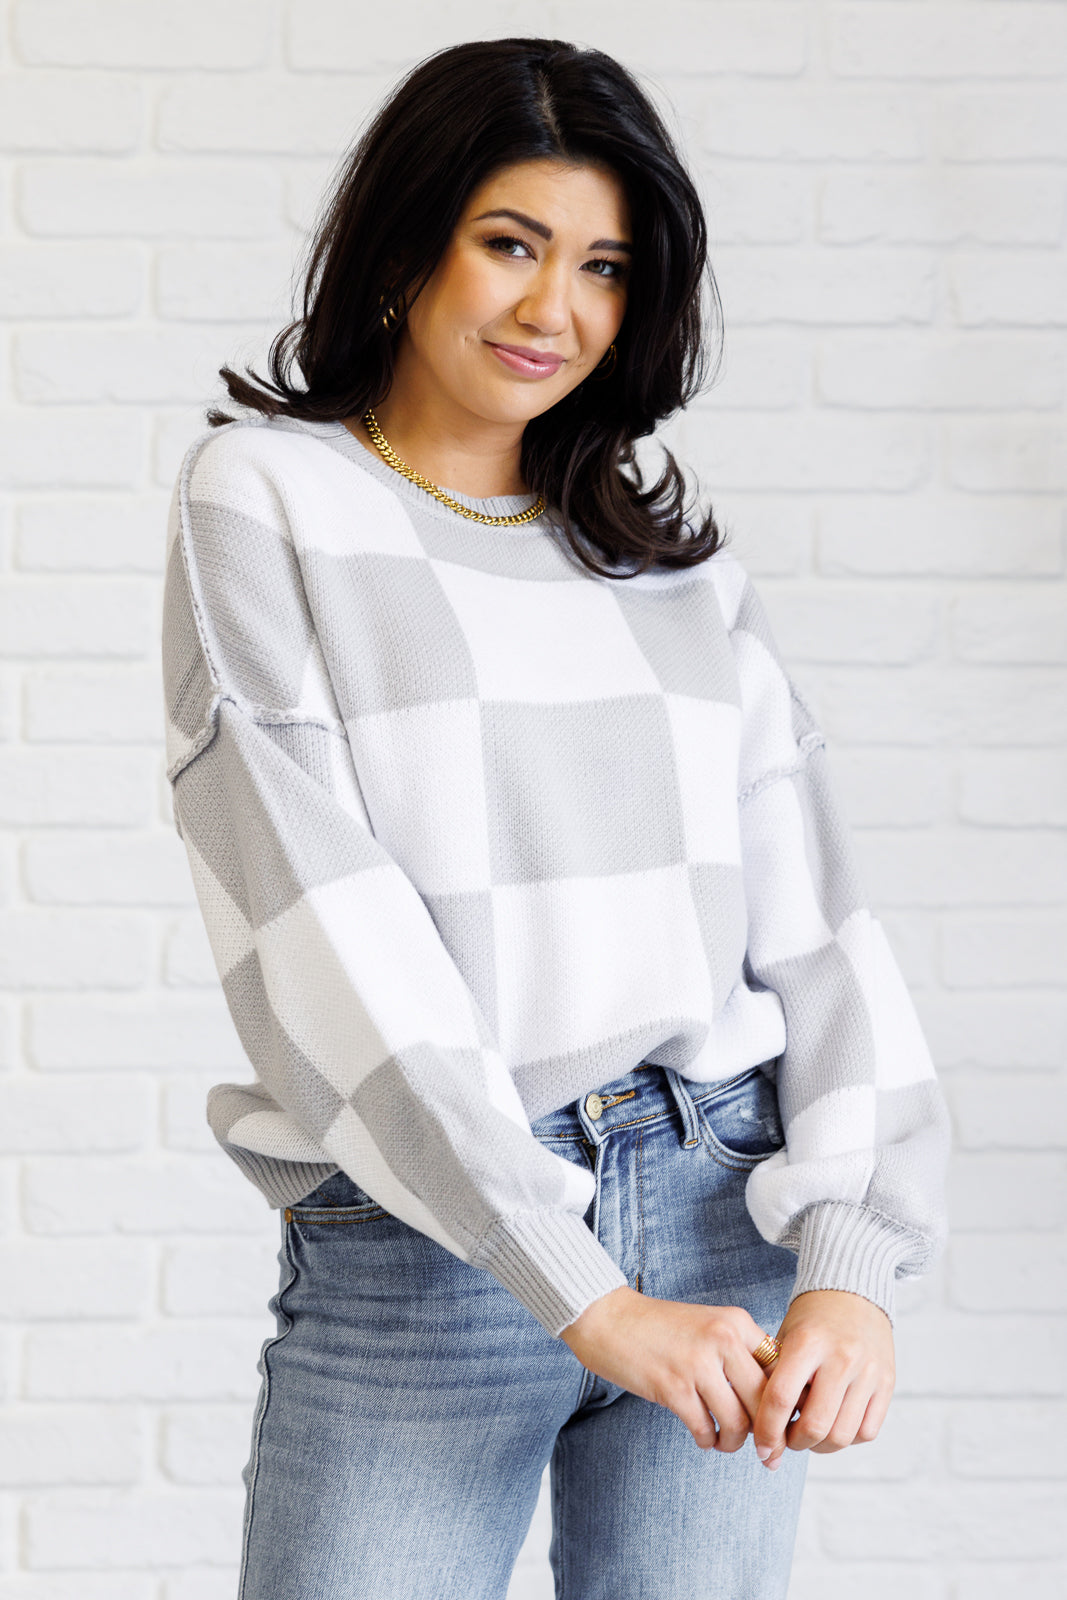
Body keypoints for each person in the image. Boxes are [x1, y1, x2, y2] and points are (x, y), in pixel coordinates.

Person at [160, 36, 950, 1600]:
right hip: (437, 1233)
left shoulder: (665, 562)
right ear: (406, 245)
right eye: (511, 245)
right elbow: (323, 924)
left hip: (724, 1207)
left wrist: (856, 1265)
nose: (553, 310)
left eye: (602, 266)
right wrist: (577, 1287)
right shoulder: (268, 498)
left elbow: (817, 921)